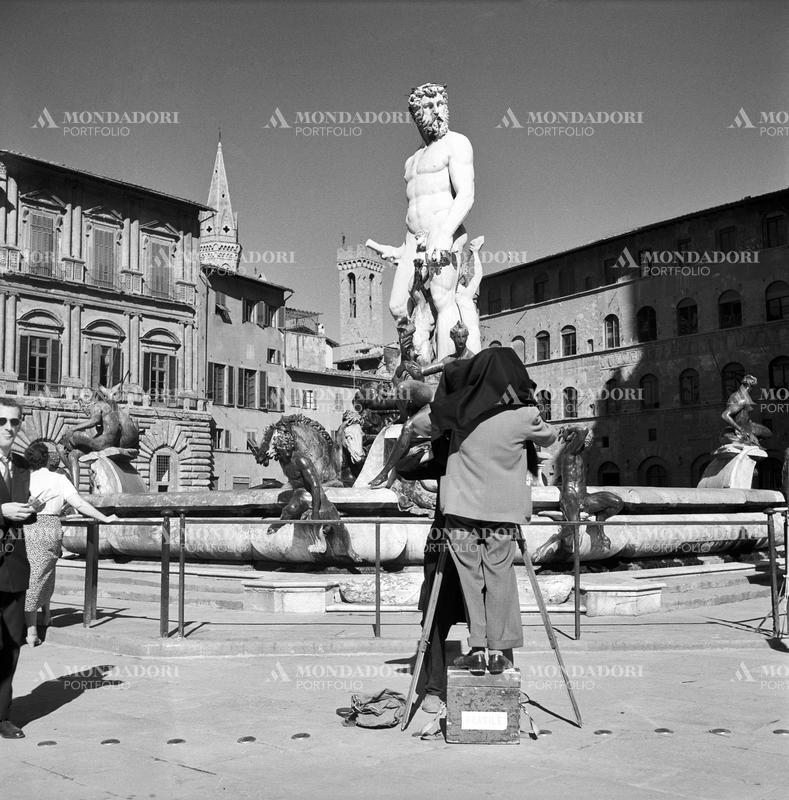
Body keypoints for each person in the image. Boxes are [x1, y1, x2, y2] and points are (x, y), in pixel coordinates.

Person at [430, 349, 556, 675]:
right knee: (499, 577)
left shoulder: (457, 412)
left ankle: (476, 646)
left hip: (460, 510)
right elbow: (551, 436)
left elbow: (420, 424)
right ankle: (498, 653)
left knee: (470, 579)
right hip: (501, 513)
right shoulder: (523, 416)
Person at [367, 82, 475, 362]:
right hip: (412, 240)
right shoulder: (411, 162)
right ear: (416, 114)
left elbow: (466, 194)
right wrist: (400, 250)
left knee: (443, 300)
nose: (437, 111)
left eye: (441, 104)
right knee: (396, 306)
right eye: (429, 106)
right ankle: (417, 364)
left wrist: (445, 234)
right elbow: (415, 209)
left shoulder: (456, 143)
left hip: (442, 231)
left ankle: (445, 372)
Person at [23, 441, 119, 647]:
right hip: (50, 527)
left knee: (34, 574)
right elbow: (80, 503)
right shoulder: (58, 479)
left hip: (27, 528)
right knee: (44, 574)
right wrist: (104, 518)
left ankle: (37, 622)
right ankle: (37, 623)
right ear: (47, 459)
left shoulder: (25, 479)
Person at [369, 321, 475, 489]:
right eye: (457, 337)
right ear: (452, 338)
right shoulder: (449, 360)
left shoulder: (474, 360)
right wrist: (408, 359)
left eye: (463, 337)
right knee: (407, 426)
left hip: (458, 410)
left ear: (467, 337)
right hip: (441, 403)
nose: (461, 340)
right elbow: (423, 371)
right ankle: (384, 473)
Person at [0, 397, 35, 739]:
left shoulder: (24, 466)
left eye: (15, 422)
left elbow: (23, 512)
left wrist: (31, 511)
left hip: (14, 567)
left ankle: (2, 717)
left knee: (11, 646)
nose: (9, 428)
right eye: (3, 422)